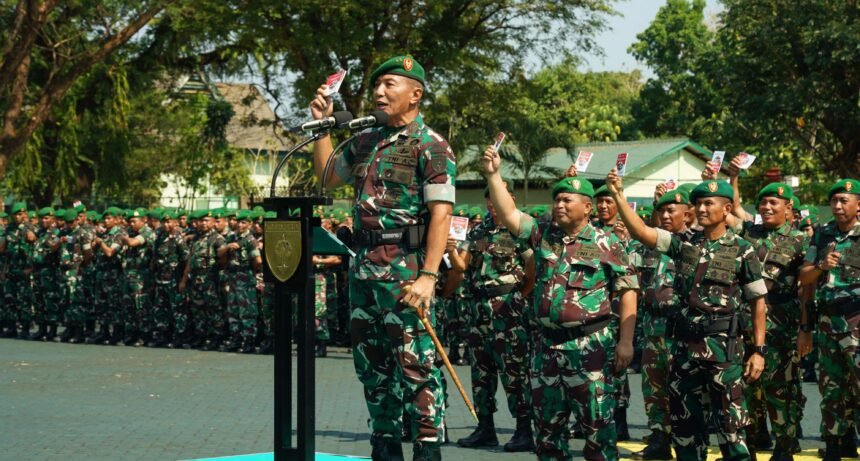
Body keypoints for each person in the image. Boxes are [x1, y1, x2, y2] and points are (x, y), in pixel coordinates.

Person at [310, 55, 455, 460]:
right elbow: (327, 179)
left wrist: (428, 275)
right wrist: (323, 126)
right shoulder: (364, 140)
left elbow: (442, 214)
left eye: (390, 84)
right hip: (363, 269)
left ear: (415, 94)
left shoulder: (431, 145)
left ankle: (427, 447)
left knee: (417, 365)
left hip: (405, 272)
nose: (379, 92)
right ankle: (385, 442)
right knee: (372, 367)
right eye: (377, 85)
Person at [482, 147, 638, 461]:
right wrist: (493, 175)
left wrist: (626, 342)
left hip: (590, 348)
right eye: (557, 199)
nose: (560, 204)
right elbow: (511, 215)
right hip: (547, 350)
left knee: (597, 431)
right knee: (548, 435)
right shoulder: (543, 234)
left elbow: (629, 291)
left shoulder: (606, 243)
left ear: (588, 207)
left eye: (568, 200)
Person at [607, 171, 767, 461]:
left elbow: (758, 303)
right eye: (699, 205)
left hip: (723, 350)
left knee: (731, 428)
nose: (702, 209)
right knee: (685, 429)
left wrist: (758, 350)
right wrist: (618, 196)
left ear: (727, 209)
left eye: (708, 204)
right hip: (684, 350)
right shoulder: (685, 244)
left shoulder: (743, 249)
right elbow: (643, 233)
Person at [453, 181, 536, 453]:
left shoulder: (519, 230)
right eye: (488, 199)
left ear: (509, 198)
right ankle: (485, 428)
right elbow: (463, 266)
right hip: (478, 311)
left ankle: (524, 430)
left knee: (514, 371)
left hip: (507, 310)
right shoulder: (478, 230)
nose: (492, 203)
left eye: (497, 198)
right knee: (481, 372)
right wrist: (451, 249)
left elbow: (532, 268)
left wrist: (520, 297)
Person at [631, 186, 694, 460]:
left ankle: (688, 439)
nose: (666, 215)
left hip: (682, 329)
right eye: (662, 210)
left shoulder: (695, 245)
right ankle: (659, 438)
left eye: (672, 210)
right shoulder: (646, 247)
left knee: (684, 388)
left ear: (687, 214)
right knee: (653, 387)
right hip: (652, 326)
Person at [798, 179, 860, 461]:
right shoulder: (823, 235)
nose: (837, 206)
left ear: (858, 204)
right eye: (834, 201)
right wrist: (821, 265)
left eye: (844, 200)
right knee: (831, 386)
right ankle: (836, 443)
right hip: (828, 321)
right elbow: (805, 276)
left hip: (857, 319)